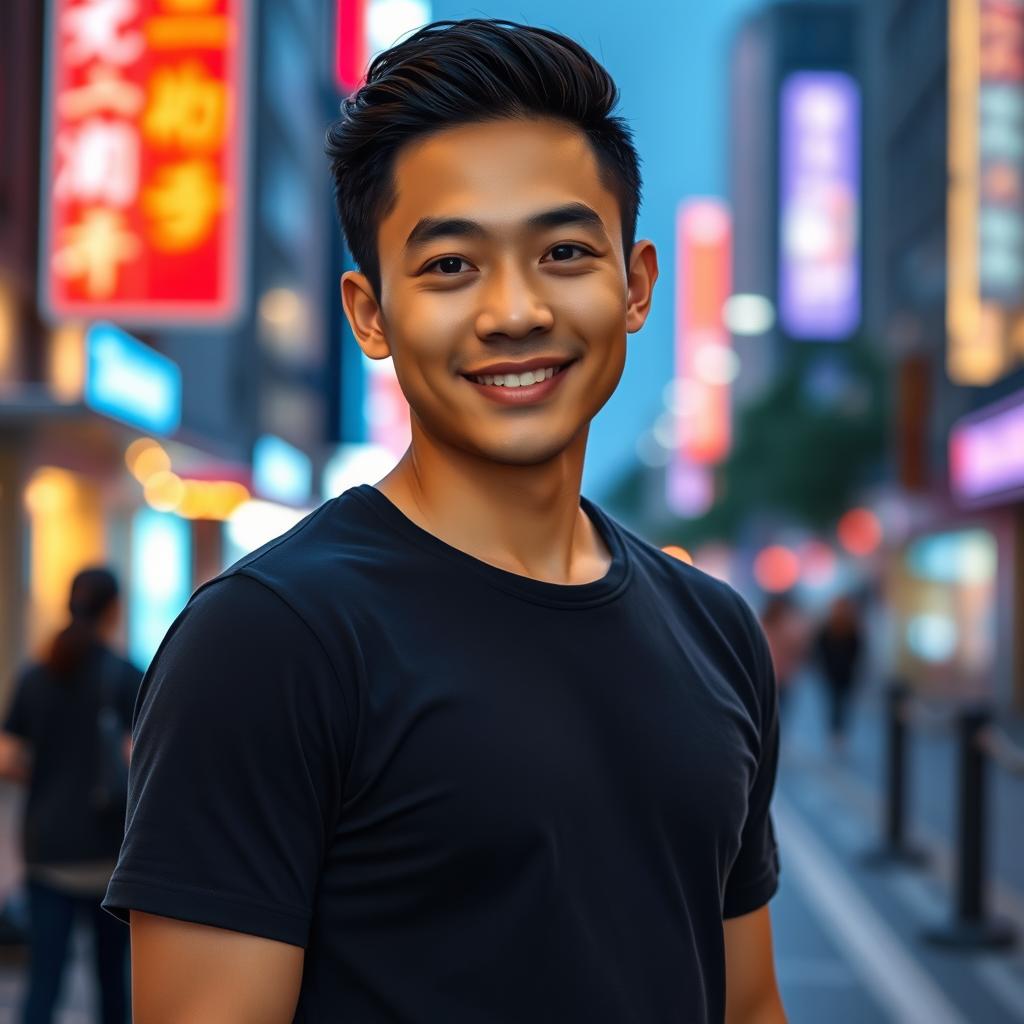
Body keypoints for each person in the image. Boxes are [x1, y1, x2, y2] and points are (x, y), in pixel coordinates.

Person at [103, 20, 785, 1023]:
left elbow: (749, 1003)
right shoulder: (270, 639)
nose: (513, 311)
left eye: (561, 251)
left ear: (633, 284)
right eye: (449, 266)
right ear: (369, 313)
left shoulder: (716, 631)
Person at [0, 567, 141, 1024]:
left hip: (48, 850)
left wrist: (42, 775)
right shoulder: (125, 675)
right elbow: (145, 757)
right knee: (112, 987)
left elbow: (7, 756)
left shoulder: (37, 675)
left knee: (44, 984)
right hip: (106, 854)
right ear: (114, 610)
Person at [814, 595, 864, 754]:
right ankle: (835, 733)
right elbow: (820, 649)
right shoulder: (828, 628)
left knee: (843, 703)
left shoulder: (852, 628)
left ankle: (840, 733)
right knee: (835, 702)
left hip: (846, 673)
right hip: (833, 672)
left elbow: (858, 650)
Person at [760, 593, 810, 722]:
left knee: (775, 706)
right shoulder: (766, 626)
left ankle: (772, 729)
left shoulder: (778, 626)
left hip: (777, 674)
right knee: (774, 706)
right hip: (773, 674)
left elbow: (798, 648)